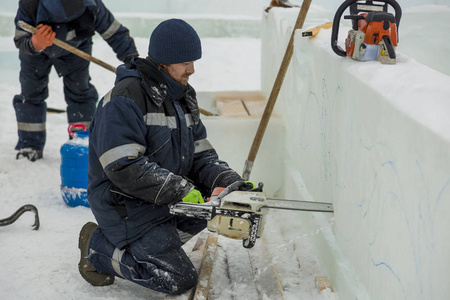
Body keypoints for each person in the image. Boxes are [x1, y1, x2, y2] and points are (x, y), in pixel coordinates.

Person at [78, 19, 254, 295]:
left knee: (211, 208)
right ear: (164, 62)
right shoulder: (124, 100)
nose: (192, 69)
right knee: (176, 278)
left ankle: (156, 244)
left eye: (193, 61)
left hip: (159, 197)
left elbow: (201, 154)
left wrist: (228, 182)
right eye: (185, 62)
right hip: (124, 202)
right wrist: (180, 190)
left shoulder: (183, 96)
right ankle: (98, 249)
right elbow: (124, 168)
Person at [13, 0, 139, 161]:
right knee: (31, 93)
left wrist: (132, 60)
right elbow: (20, 38)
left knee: (80, 92)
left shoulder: (93, 6)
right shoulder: (30, 4)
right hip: (36, 52)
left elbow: (115, 33)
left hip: (76, 47)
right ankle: (30, 145)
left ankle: (83, 140)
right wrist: (34, 43)